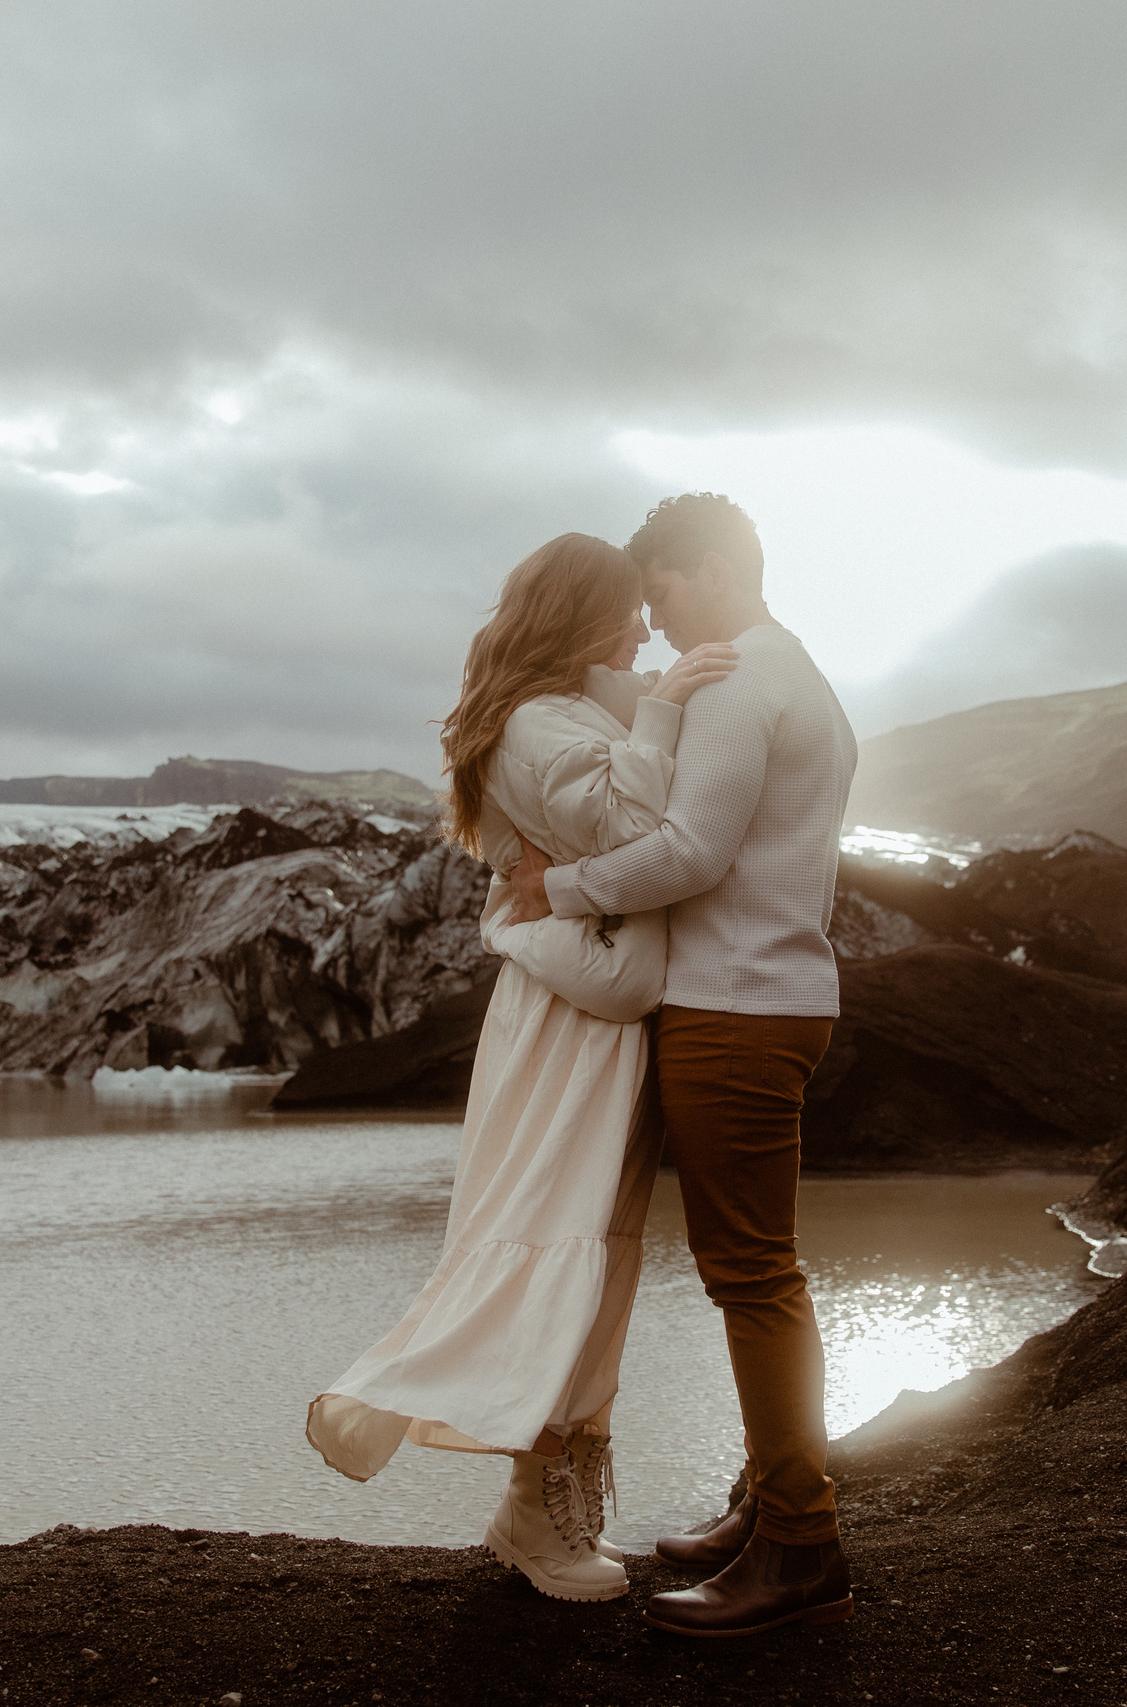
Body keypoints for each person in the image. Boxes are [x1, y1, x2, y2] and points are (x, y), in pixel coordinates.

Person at [305, 531, 738, 1603]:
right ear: (585, 614)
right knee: (563, 1234)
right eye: (629, 611)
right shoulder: (539, 725)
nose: (645, 630)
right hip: (564, 1024)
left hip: (588, 1009)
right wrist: (671, 705)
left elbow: (629, 841)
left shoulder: (565, 715)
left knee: (595, 1247)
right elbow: (644, 831)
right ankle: (531, 1515)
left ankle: (541, 1509)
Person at [508, 491, 860, 1638]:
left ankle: (800, 1548)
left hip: (734, 1009)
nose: (653, 622)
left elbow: (688, 850)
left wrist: (551, 889)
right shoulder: (793, 668)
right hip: (776, 997)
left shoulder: (738, 679)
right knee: (759, 1272)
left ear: (712, 567)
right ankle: (769, 1511)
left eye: (660, 591)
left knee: (751, 1276)